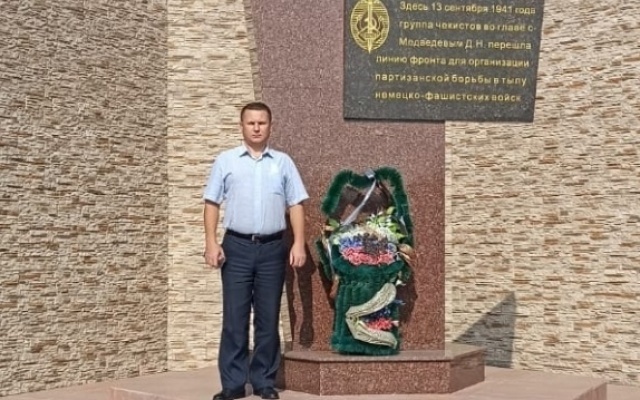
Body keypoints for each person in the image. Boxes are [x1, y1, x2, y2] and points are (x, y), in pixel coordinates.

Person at [203, 101, 308, 400]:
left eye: (262, 122)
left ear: (270, 126)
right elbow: (211, 203)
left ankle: (263, 381)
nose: (257, 128)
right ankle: (233, 384)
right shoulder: (226, 161)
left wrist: (298, 242)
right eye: (251, 123)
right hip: (236, 248)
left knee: (268, 318)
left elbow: (296, 204)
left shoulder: (283, 163)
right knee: (234, 318)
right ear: (242, 126)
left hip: (272, 249)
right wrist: (211, 242)